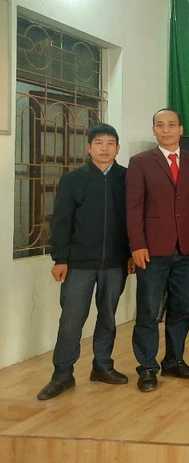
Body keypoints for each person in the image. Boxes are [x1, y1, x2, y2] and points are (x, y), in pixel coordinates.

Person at [37, 124, 135, 400]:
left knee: (108, 317)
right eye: (99, 143)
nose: (105, 148)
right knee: (71, 319)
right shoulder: (73, 179)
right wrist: (60, 259)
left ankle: (102, 366)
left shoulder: (127, 178)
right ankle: (62, 374)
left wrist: (131, 253)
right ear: (89, 147)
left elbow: (134, 219)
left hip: (115, 262)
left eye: (111, 143)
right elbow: (61, 221)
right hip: (78, 264)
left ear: (118, 148)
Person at [128, 108, 189, 392]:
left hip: (186, 249)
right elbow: (133, 207)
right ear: (154, 130)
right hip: (152, 250)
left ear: (181, 129)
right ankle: (147, 367)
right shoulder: (140, 162)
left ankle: (174, 361)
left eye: (172, 125)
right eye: (160, 125)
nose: (166, 130)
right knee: (148, 311)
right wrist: (137, 245)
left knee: (182, 308)